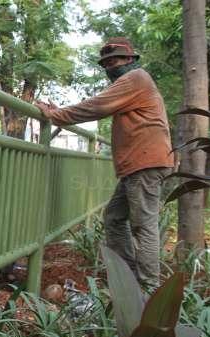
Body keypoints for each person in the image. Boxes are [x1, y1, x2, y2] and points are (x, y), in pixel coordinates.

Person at [35, 37, 174, 289]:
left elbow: (96, 106)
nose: (111, 66)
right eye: (106, 63)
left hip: (145, 162)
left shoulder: (135, 78)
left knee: (144, 225)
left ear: (131, 60)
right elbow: (97, 104)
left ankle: (149, 288)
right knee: (114, 218)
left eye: (116, 60)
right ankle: (129, 277)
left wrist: (57, 115)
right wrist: (61, 111)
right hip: (139, 163)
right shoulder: (132, 82)